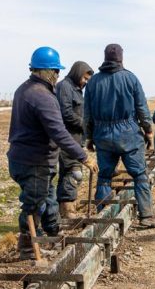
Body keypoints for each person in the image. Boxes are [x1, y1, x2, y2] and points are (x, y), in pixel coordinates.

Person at [7, 46, 98, 260]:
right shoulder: (43, 97)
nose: (58, 75)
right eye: (56, 71)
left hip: (23, 157)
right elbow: (59, 132)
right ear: (47, 72)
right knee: (33, 205)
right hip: (35, 161)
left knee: (44, 201)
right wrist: (83, 156)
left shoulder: (24, 89)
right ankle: (29, 249)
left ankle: (43, 239)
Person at [84, 44, 155, 228]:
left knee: (104, 176)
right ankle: (146, 216)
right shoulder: (131, 78)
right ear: (121, 58)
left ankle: (102, 219)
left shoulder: (93, 82)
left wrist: (89, 137)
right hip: (129, 135)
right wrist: (149, 130)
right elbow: (142, 109)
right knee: (139, 175)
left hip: (103, 135)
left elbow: (87, 114)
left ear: (105, 58)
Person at [55, 61, 94, 219]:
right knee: (74, 173)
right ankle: (68, 211)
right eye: (84, 78)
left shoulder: (77, 90)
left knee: (67, 173)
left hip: (75, 140)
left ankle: (62, 211)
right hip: (67, 139)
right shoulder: (65, 87)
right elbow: (66, 113)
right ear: (77, 73)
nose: (85, 82)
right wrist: (84, 125)